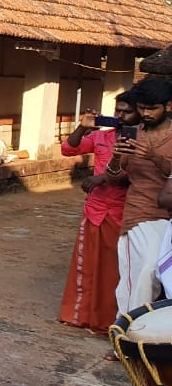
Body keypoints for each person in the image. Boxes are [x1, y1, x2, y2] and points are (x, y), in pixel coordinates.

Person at [58, 93, 139, 332]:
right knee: (87, 266)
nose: (120, 116)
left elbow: (138, 174)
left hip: (123, 211)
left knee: (115, 269)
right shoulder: (102, 136)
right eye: (118, 111)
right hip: (95, 210)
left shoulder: (143, 142)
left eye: (127, 112)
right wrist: (82, 128)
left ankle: (107, 321)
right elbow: (67, 149)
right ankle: (79, 315)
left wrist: (103, 177)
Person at [109, 77, 172, 313]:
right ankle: (126, 334)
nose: (145, 113)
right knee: (144, 270)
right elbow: (114, 178)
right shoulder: (133, 134)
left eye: (152, 108)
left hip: (169, 214)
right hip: (141, 213)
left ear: (168, 106)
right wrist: (116, 156)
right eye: (142, 107)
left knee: (160, 275)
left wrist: (153, 155)